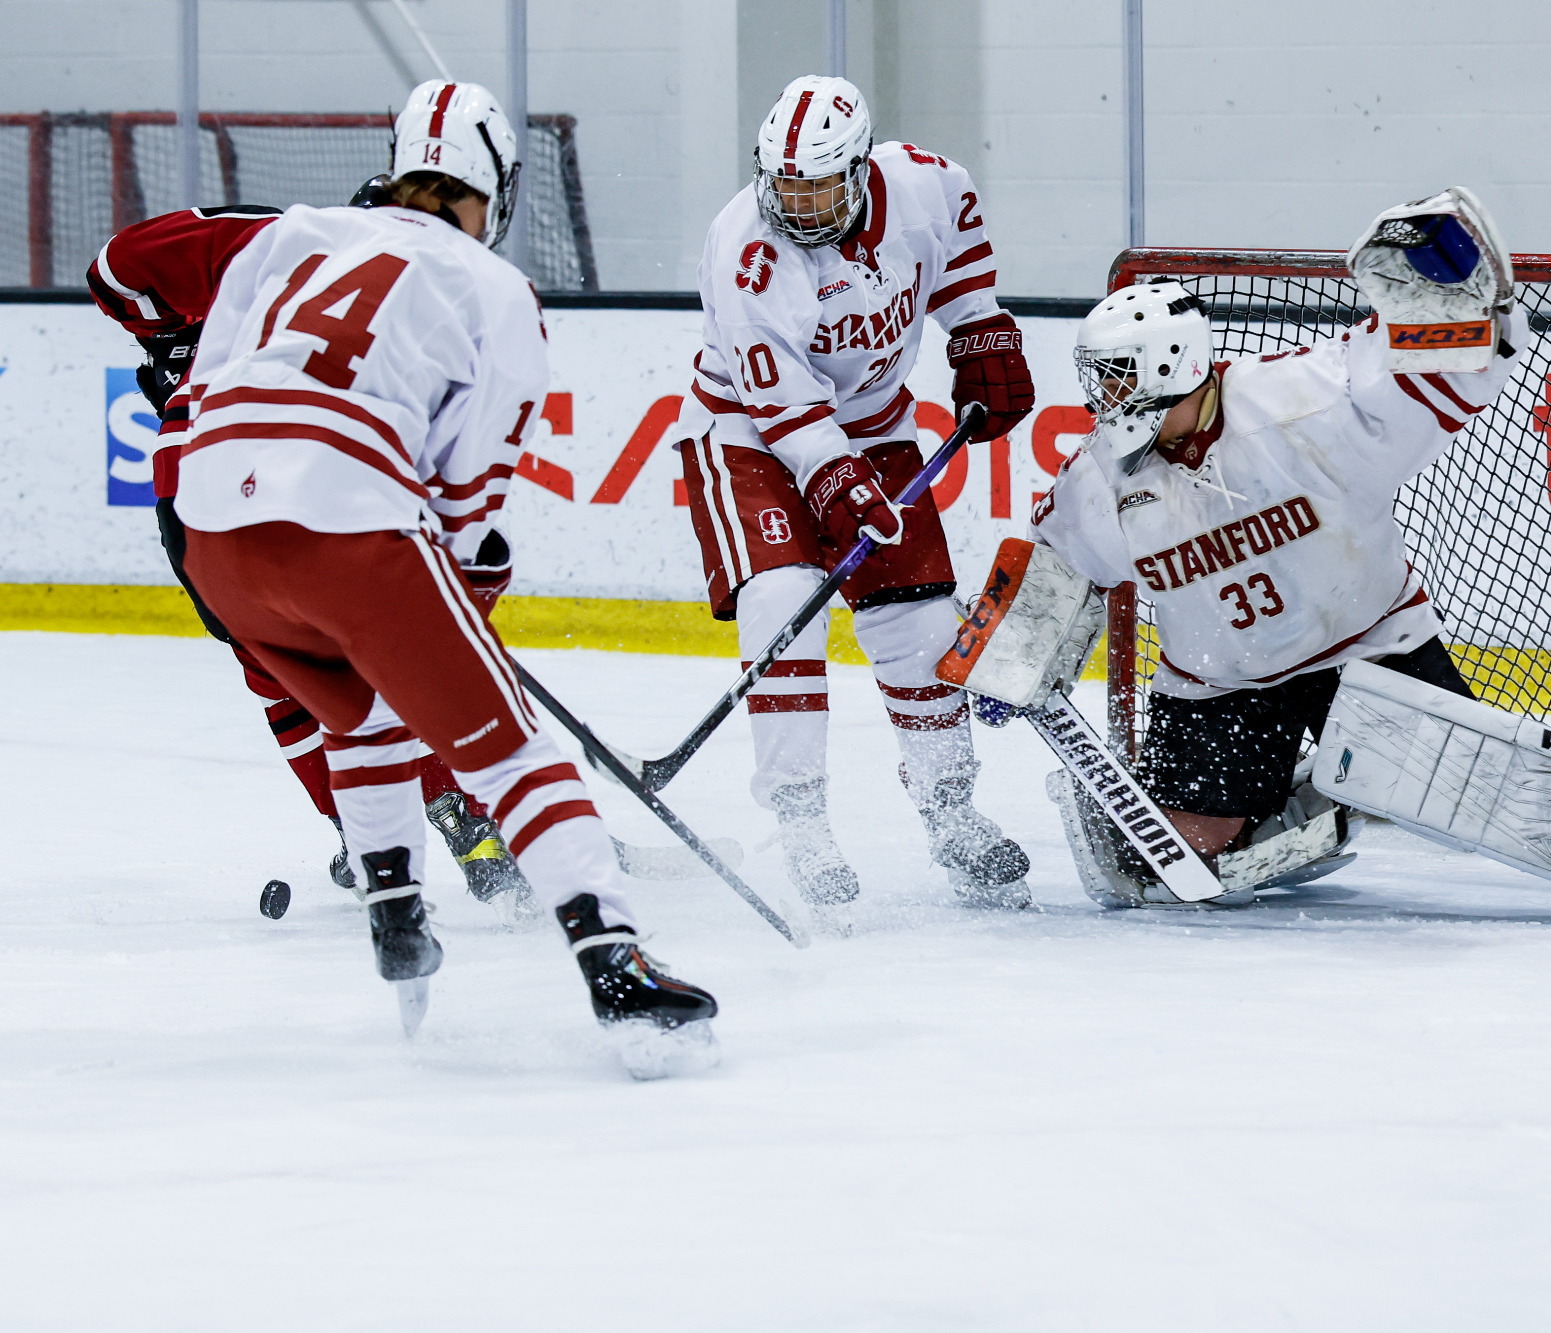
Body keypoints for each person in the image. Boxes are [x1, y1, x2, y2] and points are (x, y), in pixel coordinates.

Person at [171, 79, 717, 1074]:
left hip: (210, 533)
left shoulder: (293, 232)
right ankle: (618, 966)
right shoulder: (492, 286)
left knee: (361, 718)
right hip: (345, 524)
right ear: (490, 193)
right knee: (509, 747)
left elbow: (203, 383)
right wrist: (467, 579)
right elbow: (467, 501)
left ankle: (397, 918)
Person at [1028, 191, 1528, 894]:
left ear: (1170, 365)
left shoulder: (1308, 402)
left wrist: (1475, 309)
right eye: (1099, 382)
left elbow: (1451, 363)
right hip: (1218, 685)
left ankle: (1353, 781)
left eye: (1118, 379)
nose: (1104, 399)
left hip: (1368, 647)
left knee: (1468, 809)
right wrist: (1013, 656)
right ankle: (1310, 796)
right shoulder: (1102, 477)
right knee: (1164, 865)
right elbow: (1054, 562)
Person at [86, 199, 533, 919]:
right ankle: (473, 824)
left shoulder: (283, 247)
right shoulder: (431, 300)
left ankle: (363, 839)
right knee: (394, 666)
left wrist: (176, 338)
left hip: (195, 492)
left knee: (282, 673)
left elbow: (116, 269)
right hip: (313, 496)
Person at [673, 74, 1038, 910]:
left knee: (919, 619)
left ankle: (951, 813)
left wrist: (980, 331)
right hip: (749, 436)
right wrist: (837, 479)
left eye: (816, 187)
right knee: (784, 602)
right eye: (783, 185)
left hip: (876, 424)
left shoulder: (928, 183)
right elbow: (782, 406)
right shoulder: (745, 249)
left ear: (860, 170)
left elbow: (959, 261)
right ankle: (800, 822)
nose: (795, 205)